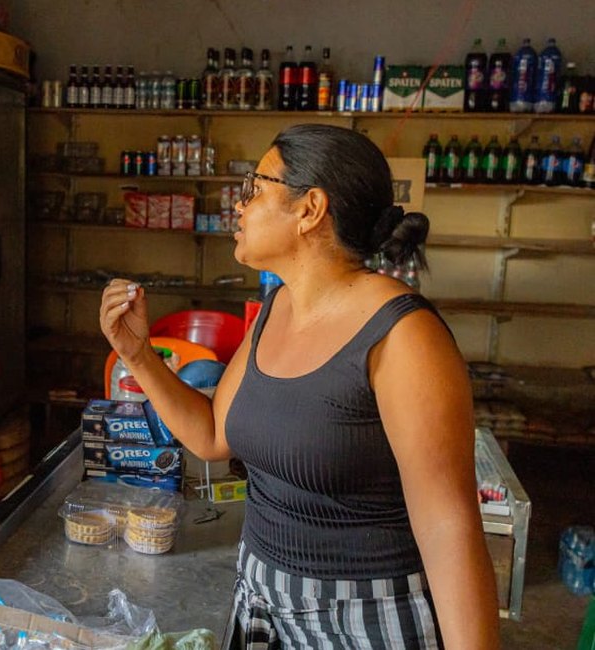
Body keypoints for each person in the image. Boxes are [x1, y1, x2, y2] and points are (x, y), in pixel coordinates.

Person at [100, 124, 500, 648]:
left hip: (364, 619)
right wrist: (138, 355)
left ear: (310, 208)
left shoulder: (404, 336)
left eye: (254, 189)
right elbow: (212, 435)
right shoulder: (277, 309)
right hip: (263, 607)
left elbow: (450, 529)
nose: (238, 207)